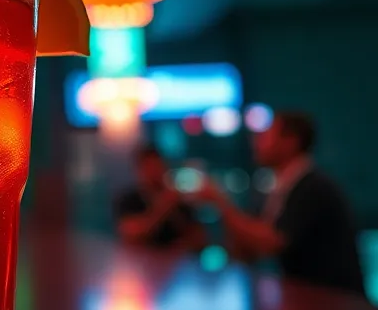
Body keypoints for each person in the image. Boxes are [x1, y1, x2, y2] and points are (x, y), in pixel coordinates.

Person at [194, 111, 365, 295]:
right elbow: (250, 249)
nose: (256, 141)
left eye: (266, 135)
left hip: (334, 303)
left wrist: (220, 202)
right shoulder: (281, 188)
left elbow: (271, 241)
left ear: (290, 141)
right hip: (315, 302)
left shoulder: (312, 187)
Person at [114, 145, 207, 251]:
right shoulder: (128, 200)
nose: (154, 173)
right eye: (148, 168)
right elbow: (130, 234)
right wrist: (162, 209)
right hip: (141, 263)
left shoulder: (178, 200)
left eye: (157, 166)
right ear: (139, 171)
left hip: (175, 262)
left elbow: (200, 240)